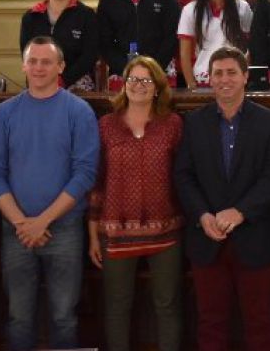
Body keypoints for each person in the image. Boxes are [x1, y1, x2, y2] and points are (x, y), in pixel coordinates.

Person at [0, 36, 99, 351]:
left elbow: (85, 173)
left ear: (60, 67)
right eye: (32, 61)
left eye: (46, 61)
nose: (38, 67)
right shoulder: (4, 113)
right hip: (16, 231)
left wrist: (42, 221)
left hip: (64, 230)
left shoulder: (79, 111)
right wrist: (23, 223)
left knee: (65, 317)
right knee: (19, 318)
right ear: (23, 65)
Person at [173, 46, 270, 351]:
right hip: (207, 239)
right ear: (209, 78)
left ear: (245, 77)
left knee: (260, 323)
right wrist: (202, 215)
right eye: (218, 73)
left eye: (231, 72)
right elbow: (183, 176)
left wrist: (240, 212)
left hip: (255, 237)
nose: (224, 79)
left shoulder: (269, 122)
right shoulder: (194, 123)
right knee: (210, 324)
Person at [88, 55, 184, 351]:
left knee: (167, 305)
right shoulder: (106, 125)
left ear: (157, 86)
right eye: (132, 79)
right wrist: (93, 234)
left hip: (166, 232)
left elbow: (183, 176)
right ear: (123, 84)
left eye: (146, 80)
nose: (138, 85)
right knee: (117, 306)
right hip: (115, 232)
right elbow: (97, 181)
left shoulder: (173, 124)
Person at [19, 0, 99, 91]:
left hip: (76, 83)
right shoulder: (31, 16)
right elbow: (26, 54)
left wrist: (64, 79)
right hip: (39, 80)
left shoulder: (86, 15)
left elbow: (90, 55)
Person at [178, 0, 252, 88]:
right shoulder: (190, 10)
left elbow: (250, 49)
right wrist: (191, 85)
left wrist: (243, 75)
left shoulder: (242, 7)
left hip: (234, 82)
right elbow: (184, 54)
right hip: (203, 82)